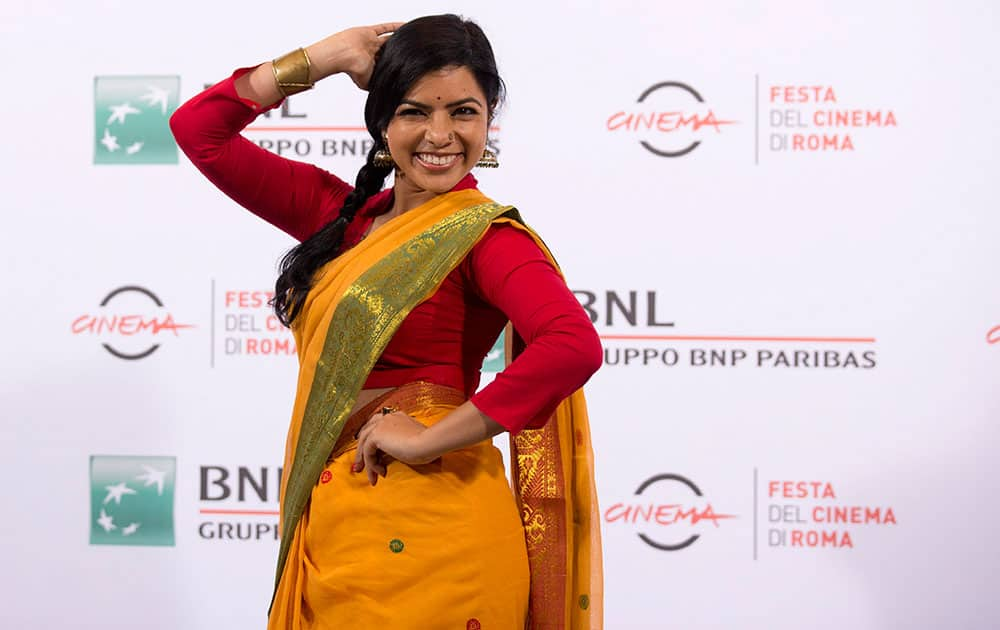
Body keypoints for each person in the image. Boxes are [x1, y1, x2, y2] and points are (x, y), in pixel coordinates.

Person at [170, 14, 603, 629]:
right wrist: (324, 57)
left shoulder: (487, 236)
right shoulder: (340, 220)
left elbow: (571, 345)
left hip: (436, 528)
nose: (440, 134)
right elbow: (199, 131)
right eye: (413, 111)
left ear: (489, 121)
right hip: (337, 516)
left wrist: (429, 437)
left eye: (464, 111)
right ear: (381, 122)